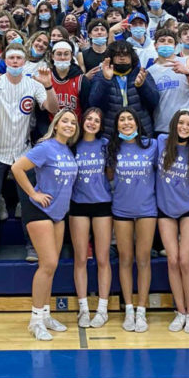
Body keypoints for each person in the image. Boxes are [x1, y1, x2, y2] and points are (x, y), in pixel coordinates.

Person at [0, 44, 58, 263]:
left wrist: (48, 87)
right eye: (11, 58)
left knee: (29, 199)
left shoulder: (33, 83)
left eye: (19, 58)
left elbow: (53, 109)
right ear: (5, 61)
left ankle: (32, 245)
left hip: (23, 151)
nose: (16, 62)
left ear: (25, 60)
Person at [11, 108, 79, 341]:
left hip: (58, 214)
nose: (69, 125)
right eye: (65, 121)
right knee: (47, 263)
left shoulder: (67, 151)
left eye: (73, 122)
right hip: (39, 209)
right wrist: (34, 194)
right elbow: (17, 168)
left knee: (51, 265)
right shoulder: (46, 146)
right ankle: (36, 320)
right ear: (56, 124)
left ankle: (46, 313)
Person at [106, 108, 157, 333]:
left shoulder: (152, 145)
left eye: (130, 119)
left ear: (137, 122)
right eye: (121, 119)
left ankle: (142, 310)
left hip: (147, 209)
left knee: (143, 259)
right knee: (125, 259)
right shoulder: (111, 148)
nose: (126, 123)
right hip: (121, 209)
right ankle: (128, 309)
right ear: (117, 126)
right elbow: (108, 176)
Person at [156, 110, 189, 334]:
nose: (184, 127)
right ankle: (180, 311)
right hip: (165, 210)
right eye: (181, 123)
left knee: (185, 260)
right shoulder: (160, 142)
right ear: (174, 123)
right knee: (172, 260)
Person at [69, 107, 112, 329]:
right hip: (78, 205)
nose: (92, 123)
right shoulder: (72, 144)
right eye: (89, 119)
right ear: (82, 121)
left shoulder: (105, 145)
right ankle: (83, 308)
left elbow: (111, 173)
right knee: (81, 259)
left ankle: (102, 309)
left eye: (97, 120)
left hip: (103, 205)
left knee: (103, 259)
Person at [89, 41, 159, 137]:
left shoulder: (141, 74)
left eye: (126, 54)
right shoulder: (102, 75)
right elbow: (94, 104)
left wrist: (142, 87)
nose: (122, 57)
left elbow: (154, 102)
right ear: (111, 57)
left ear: (132, 57)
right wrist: (106, 81)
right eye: (117, 54)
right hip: (111, 133)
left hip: (140, 131)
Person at [148, 26, 189, 135]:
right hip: (163, 128)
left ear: (175, 46)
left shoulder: (187, 61)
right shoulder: (149, 71)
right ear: (155, 45)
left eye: (170, 41)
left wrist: (188, 73)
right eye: (162, 41)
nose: (166, 44)